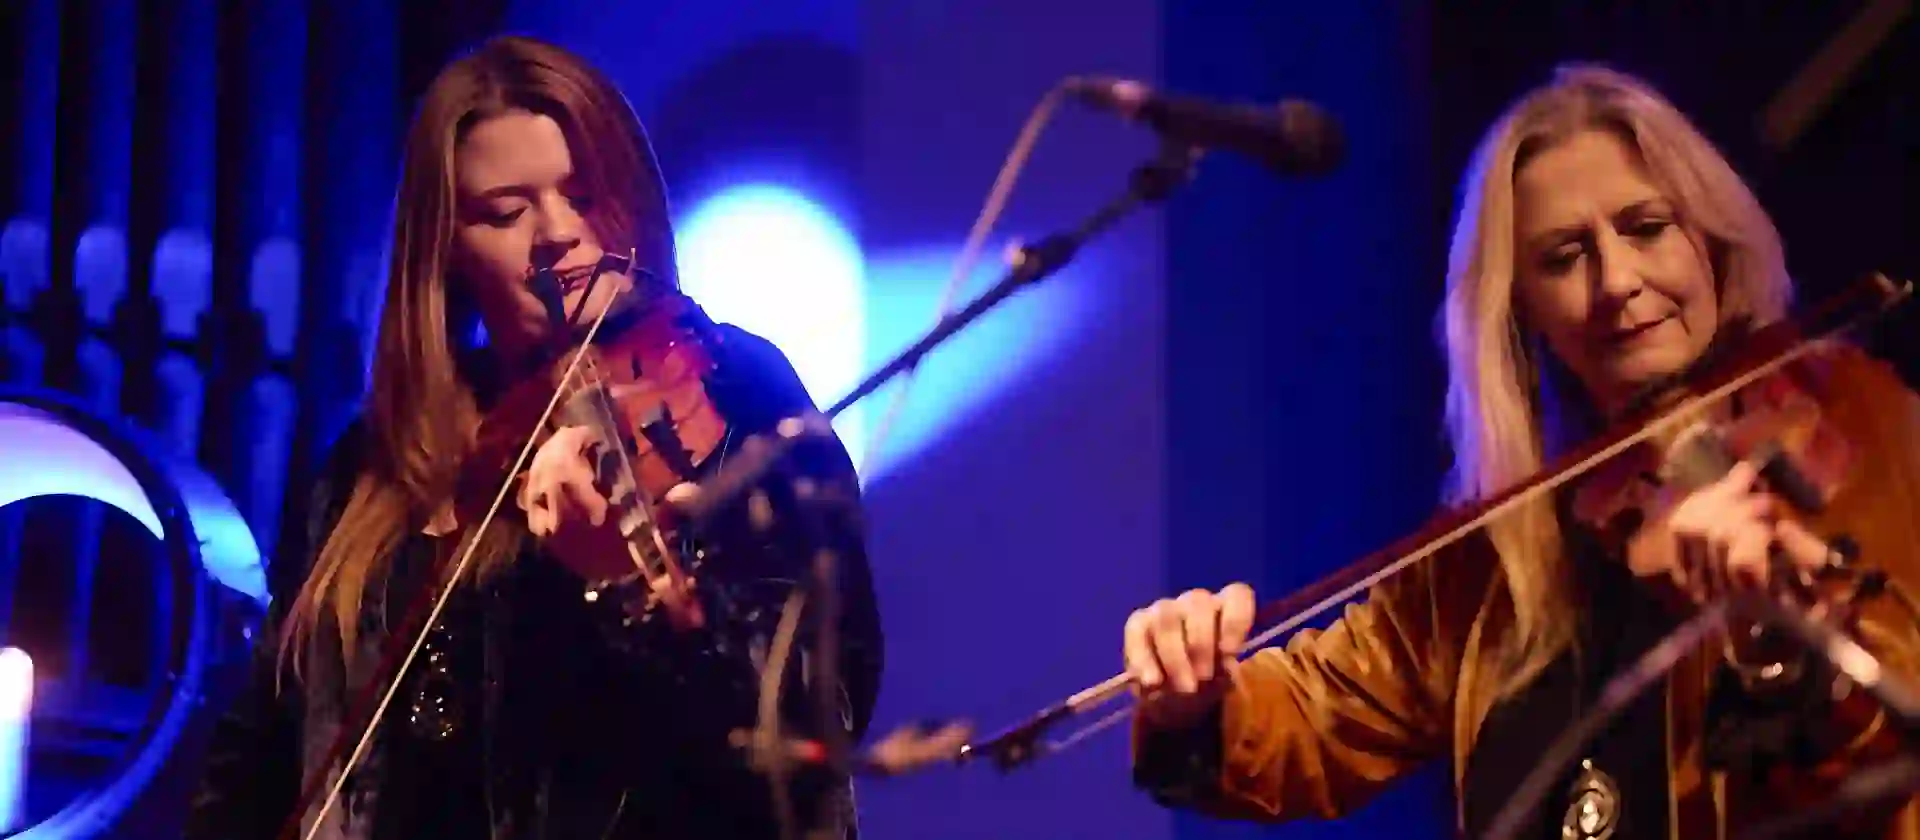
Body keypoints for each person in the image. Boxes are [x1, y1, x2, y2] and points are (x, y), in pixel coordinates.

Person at [1124, 64, 1920, 839]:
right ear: (1520, 309)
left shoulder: (1865, 430)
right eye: (1564, 258)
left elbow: (1890, 744)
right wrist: (1196, 696)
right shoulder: (1506, 543)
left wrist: (1779, 639)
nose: (1617, 281)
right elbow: (1323, 710)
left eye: (1646, 229)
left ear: (1710, 240)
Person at [181, 35, 883, 840]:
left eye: (584, 195)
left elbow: (819, 710)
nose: (557, 233)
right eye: (506, 213)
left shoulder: (734, 393)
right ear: (445, 248)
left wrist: (630, 589)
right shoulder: (369, 465)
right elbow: (262, 741)